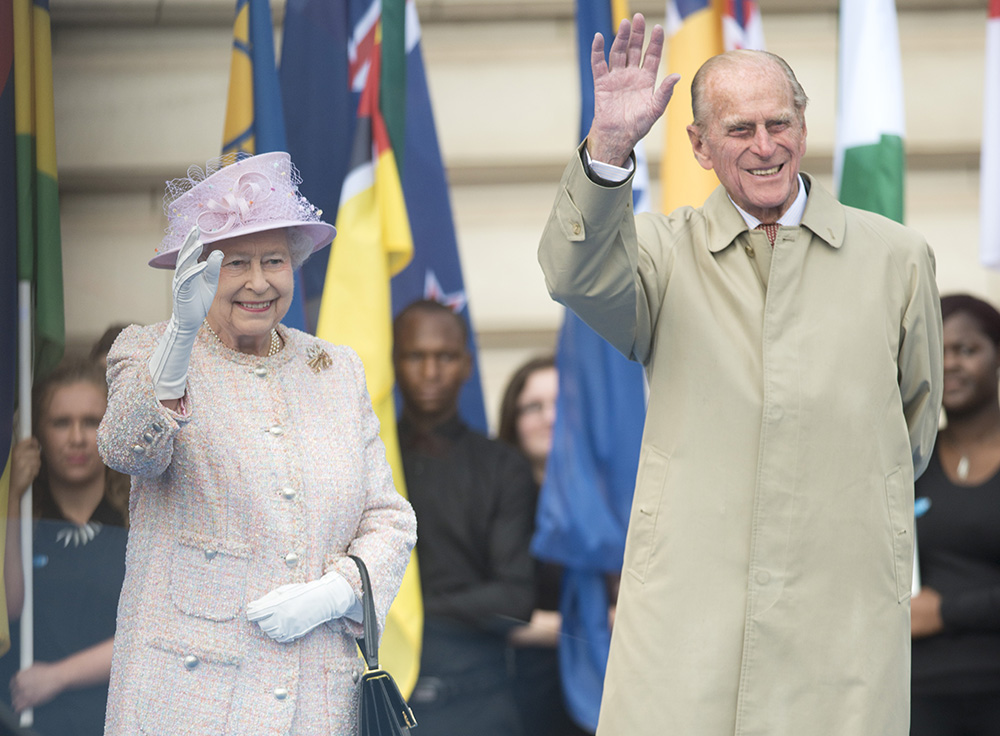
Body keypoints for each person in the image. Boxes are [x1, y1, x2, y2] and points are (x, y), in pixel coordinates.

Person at [538, 15, 942, 736]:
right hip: (692, 600)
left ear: (804, 125)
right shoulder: (661, 251)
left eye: (778, 122)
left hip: (840, 599)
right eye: (739, 129)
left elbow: (913, 427)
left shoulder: (897, 258)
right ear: (698, 145)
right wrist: (608, 149)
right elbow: (575, 275)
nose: (765, 147)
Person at [96, 151, 416, 735]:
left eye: (275, 260)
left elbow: (390, 518)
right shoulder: (147, 350)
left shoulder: (334, 369)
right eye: (234, 263)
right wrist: (181, 335)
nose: (257, 282)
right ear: (195, 272)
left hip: (318, 700)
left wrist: (336, 591)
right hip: (187, 700)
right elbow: (126, 449)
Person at [393, 299, 535, 736]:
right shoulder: (366, 461)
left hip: (477, 701)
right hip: (378, 699)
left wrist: (412, 610)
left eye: (446, 357)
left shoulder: (502, 466)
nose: (431, 373)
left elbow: (515, 600)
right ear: (394, 362)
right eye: (416, 356)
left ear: (467, 365)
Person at [1, 357, 130, 736]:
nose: (76, 437)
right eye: (61, 422)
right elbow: (9, 606)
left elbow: (148, 631)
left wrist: (59, 676)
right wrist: (12, 499)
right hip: (28, 721)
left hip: (118, 719)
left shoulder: (138, 519)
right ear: (36, 434)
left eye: (91, 421)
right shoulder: (24, 518)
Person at [910, 294, 1000, 736]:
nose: (950, 364)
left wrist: (946, 611)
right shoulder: (908, 464)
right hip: (920, 696)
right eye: (938, 352)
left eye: (966, 350)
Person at [498, 356, 590, 736]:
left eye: (561, 403)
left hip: (605, 684)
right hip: (527, 691)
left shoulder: (612, 501)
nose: (550, 418)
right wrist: (590, 625)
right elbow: (493, 617)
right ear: (512, 420)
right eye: (533, 407)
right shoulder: (494, 503)